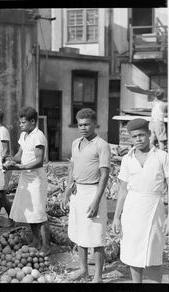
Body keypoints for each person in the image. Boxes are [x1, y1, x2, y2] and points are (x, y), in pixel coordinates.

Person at [112, 118, 169, 283]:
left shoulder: (162, 156)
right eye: (134, 136)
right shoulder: (127, 159)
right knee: (132, 253)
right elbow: (122, 190)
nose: (138, 139)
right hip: (132, 210)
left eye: (142, 135)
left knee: (153, 254)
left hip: (154, 208)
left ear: (150, 134)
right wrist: (116, 217)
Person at [60, 108, 111, 283]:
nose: (83, 127)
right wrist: (67, 192)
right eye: (80, 124)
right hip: (77, 191)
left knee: (96, 236)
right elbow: (72, 169)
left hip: (93, 191)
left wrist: (96, 200)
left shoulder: (101, 145)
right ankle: (83, 270)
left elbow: (104, 175)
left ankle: (98, 276)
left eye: (87, 124)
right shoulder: (75, 143)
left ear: (94, 124)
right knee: (79, 232)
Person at [3, 106, 50, 255]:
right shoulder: (24, 135)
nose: (21, 125)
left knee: (39, 214)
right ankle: (36, 241)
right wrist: (10, 160)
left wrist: (19, 167)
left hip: (36, 179)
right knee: (31, 214)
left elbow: (39, 161)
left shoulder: (38, 136)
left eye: (24, 122)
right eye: (20, 122)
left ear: (33, 121)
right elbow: (19, 154)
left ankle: (46, 246)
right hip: (25, 179)